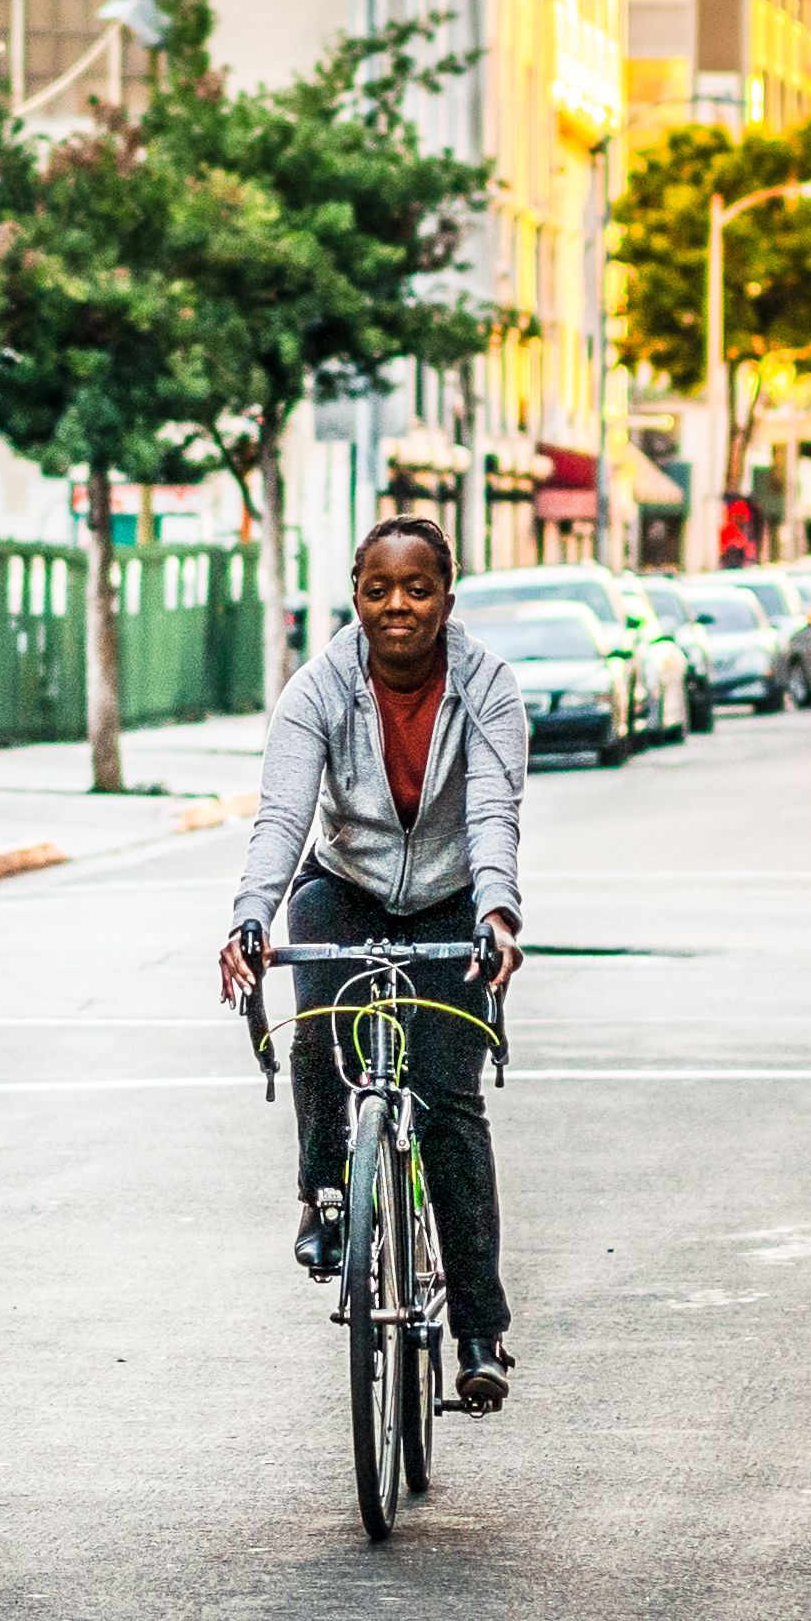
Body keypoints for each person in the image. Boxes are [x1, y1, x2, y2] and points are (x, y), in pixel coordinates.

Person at [220, 516, 527, 1411]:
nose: (398, 605)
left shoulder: (489, 690)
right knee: (318, 1021)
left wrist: (498, 912)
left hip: (452, 896)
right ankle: (325, 1195)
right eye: (378, 588)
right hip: (342, 881)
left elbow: (494, 816)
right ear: (356, 595)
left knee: (448, 1103)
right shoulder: (315, 688)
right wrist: (249, 916)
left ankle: (478, 1328)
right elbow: (281, 818)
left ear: (447, 597)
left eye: (418, 588)